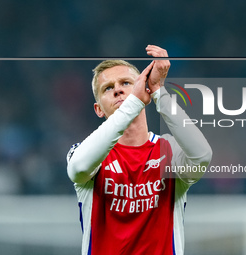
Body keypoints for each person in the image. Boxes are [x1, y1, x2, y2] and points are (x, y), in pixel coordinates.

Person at [66, 45, 212, 255]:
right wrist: (133, 101)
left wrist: (159, 92)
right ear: (98, 109)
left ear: (145, 90)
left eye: (126, 83)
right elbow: (78, 169)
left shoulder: (168, 150)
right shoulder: (86, 154)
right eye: (108, 88)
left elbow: (202, 156)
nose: (117, 89)